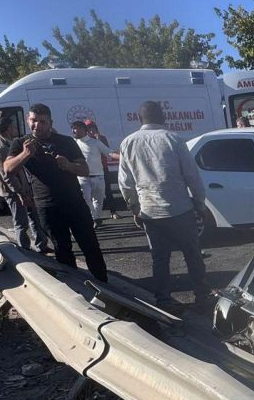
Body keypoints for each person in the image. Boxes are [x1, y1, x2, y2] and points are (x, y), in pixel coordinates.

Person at [118, 100, 211, 306]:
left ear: (140, 119)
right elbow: (192, 177)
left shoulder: (128, 143)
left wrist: (134, 208)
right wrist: (200, 204)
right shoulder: (174, 139)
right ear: (163, 118)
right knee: (192, 254)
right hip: (180, 209)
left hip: (150, 212)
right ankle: (202, 294)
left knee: (159, 258)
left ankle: (163, 298)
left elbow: (125, 183)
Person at [0, 103, 108, 279]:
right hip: (47, 206)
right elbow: (8, 169)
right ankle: (76, 290)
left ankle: (105, 285)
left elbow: (84, 170)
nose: (38, 126)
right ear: (28, 120)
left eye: (42, 122)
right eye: (34, 121)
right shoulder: (20, 143)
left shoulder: (66, 141)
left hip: (74, 202)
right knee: (62, 249)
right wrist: (25, 154)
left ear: (50, 122)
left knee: (90, 245)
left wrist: (68, 165)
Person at [0, 114, 49, 251]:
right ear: (8, 129)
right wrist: (20, 193)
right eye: (14, 126)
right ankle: (25, 251)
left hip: (25, 187)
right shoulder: (0, 148)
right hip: (14, 191)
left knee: (35, 218)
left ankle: (41, 245)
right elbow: (7, 175)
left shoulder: (10, 142)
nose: (16, 129)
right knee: (21, 223)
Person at [70, 119, 110, 226]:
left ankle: (96, 219)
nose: (74, 131)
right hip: (83, 177)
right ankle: (93, 219)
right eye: (73, 129)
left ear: (84, 130)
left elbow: (109, 153)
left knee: (98, 200)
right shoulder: (73, 144)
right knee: (86, 200)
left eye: (76, 129)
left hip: (99, 176)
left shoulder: (96, 142)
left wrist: (122, 157)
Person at [85, 120, 121, 220]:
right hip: (90, 171)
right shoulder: (85, 140)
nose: (91, 131)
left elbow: (107, 151)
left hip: (103, 169)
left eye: (93, 128)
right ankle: (94, 216)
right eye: (89, 129)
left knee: (108, 191)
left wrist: (99, 139)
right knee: (91, 194)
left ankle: (113, 212)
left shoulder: (101, 138)